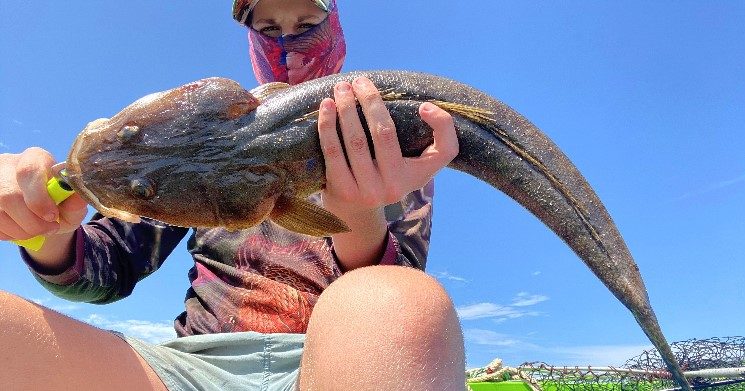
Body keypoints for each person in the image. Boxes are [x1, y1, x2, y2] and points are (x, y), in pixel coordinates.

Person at [0, 0, 465, 389]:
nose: (288, 44)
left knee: (401, 300)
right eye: (269, 27)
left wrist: (359, 214)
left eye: (305, 25)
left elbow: (396, 300)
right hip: (189, 368)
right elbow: (109, 269)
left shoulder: (386, 135)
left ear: (333, 28)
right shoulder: (192, 132)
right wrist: (41, 229)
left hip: (337, 364)